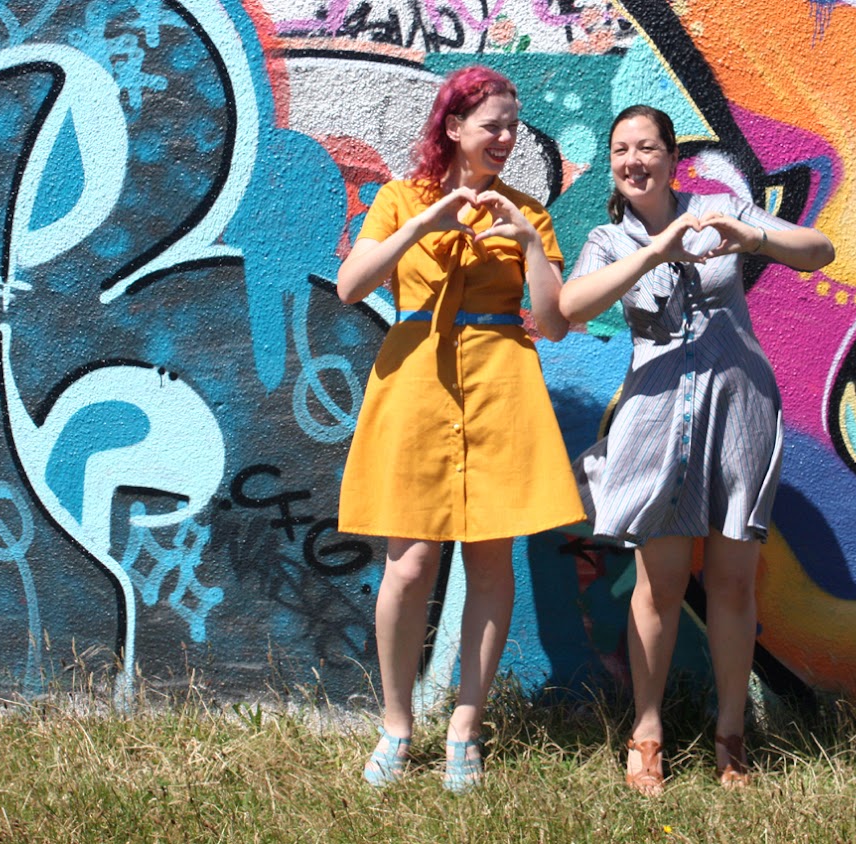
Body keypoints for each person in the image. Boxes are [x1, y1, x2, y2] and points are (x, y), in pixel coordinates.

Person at [559, 105, 835, 795]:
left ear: (672, 158)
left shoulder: (720, 209)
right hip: (654, 424)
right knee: (659, 584)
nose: (633, 161)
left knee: (733, 583)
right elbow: (569, 308)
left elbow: (818, 250)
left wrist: (752, 235)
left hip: (738, 411)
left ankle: (731, 737)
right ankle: (647, 733)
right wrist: (655, 252)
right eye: (621, 150)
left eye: (646, 148)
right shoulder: (607, 238)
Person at [336, 66, 585, 791]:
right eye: (492, 125)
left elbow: (554, 323)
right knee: (408, 564)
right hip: (414, 383)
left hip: (500, 385)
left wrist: (528, 242)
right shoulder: (399, 199)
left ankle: (465, 730)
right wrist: (424, 224)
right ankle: (396, 725)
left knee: (490, 563)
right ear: (452, 127)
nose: (506, 138)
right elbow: (352, 286)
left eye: (512, 126)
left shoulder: (528, 212)